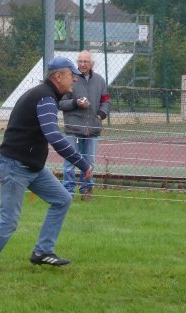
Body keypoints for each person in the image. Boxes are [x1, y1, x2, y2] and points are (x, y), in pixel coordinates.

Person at [0, 57, 93, 272]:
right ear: (58, 77)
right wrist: (83, 164)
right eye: (71, 75)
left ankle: (43, 252)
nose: (74, 79)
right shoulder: (45, 97)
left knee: (62, 199)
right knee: (9, 220)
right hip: (16, 166)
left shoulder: (47, 95)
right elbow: (55, 137)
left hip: (32, 167)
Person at [59, 50, 110, 201]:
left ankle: (86, 190)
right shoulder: (70, 80)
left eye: (85, 61)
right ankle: (67, 192)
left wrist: (101, 115)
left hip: (92, 129)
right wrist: (76, 103)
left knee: (89, 163)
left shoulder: (100, 81)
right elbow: (60, 103)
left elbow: (106, 100)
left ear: (91, 63)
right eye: (80, 61)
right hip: (73, 129)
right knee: (69, 162)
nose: (82, 64)